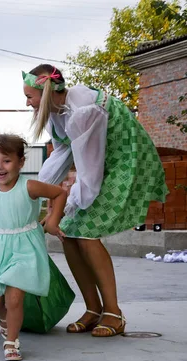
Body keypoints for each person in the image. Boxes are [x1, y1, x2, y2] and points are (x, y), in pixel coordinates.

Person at [23, 64, 168, 336]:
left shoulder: (82, 111)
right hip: (102, 164)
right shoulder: (60, 113)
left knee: (86, 232)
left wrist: (68, 204)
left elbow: (89, 171)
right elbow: (62, 154)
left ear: (45, 93)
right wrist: (36, 194)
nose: (27, 102)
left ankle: (113, 312)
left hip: (126, 162)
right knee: (70, 232)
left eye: (30, 96)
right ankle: (93, 308)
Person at [0, 134, 67, 361]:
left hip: (23, 247)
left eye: (6, 161)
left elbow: (60, 193)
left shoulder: (29, 186)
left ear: (21, 162)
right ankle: (3, 319)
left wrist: (52, 221)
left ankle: (11, 342)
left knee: (14, 299)